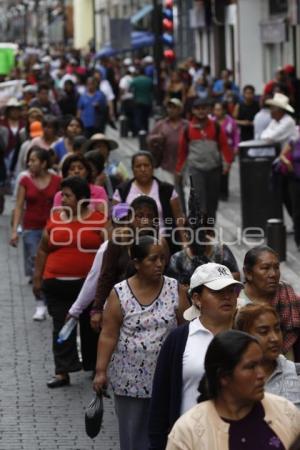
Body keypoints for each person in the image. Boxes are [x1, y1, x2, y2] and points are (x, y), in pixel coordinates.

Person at [93, 235, 189, 450]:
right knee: (133, 436)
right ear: (136, 263)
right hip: (129, 381)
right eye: (153, 259)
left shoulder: (176, 290)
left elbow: (186, 329)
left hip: (166, 377)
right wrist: (100, 371)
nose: (159, 264)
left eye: (162, 259)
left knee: (166, 434)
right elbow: (109, 334)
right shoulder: (120, 293)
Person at [149, 263, 243, 450]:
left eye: (232, 290)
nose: (227, 296)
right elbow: (160, 399)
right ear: (196, 298)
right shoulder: (178, 339)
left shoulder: (246, 337)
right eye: (218, 291)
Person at [166, 330, 300, 450]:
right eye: (251, 367)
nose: (261, 374)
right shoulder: (189, 431)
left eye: (260, 364)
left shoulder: (285, 412)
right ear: (224, 376)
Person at [33, 176, 106, 387]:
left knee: (92, 326)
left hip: (88, 287)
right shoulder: (55, 218)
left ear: (82, 198)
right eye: (62, 195)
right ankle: (62, 372)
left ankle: (94, 368)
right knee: (60, 326)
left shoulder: (100, 220)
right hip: (56, 283)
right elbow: (43, 249)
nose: (62, 199)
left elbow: (108, 253)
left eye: (67, 195)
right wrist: (37, 278)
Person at [90, 195, 168, 332]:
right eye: (139, 216)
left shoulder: (161, 243)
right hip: (121, 304)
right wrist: (97, 309)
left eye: (150, 216)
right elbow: (106, 275)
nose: (145, 220)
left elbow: (165, 274)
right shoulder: (119, 240)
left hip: (154, 305)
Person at [10, 147, 61, 320]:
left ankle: (51, 299)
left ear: (44, 163)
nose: (30, 163)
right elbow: (18, 206)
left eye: (34, 160)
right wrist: (14, 231)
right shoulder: (25, 180)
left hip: (52, 228)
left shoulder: (57, 180)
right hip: (31, 228)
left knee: (50, 265)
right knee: (35, 264)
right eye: (29, 160)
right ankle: (40, 304)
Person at [113, 151, 186, 248]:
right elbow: (117, 221)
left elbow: (179, 218)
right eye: (138, 166)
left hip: (164, 241)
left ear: (152, 167)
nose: (143, 169)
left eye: (146, 165)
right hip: (131, 242)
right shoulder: (123, 191)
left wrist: (185, 242)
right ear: (133, 169)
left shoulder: (167, 190)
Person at [176, 97, 233, 221]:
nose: (201, 111)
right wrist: (179, 170)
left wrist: (227, 163)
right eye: (198, 109)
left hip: (214, 169)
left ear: (208, 110)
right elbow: (182, 152)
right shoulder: (187, 129)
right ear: (193, 110)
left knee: (212, 201)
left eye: (204, 108)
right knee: (199, 201)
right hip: (196, 169)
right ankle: (198, 230)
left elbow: (224, 145)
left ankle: (209, 227)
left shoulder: (216, 127)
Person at [240, 245, 300, 360]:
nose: (273, 274)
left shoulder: (287, 295)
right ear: (248, 273)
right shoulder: (235, 303)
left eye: (276, 267)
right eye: (265, 268)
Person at [234, 303, 300, 407]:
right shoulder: (230, 380)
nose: (275, 338)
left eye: (277, 329)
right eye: (264, 332)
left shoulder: (295, 373)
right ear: (243, 336)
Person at [168, 213, 240, 286]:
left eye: (200, 234)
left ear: (208, 233)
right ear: (185, 234)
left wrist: (214, 280)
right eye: (191, 233)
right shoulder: (178, 259)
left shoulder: (221, 251)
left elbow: (236, 276)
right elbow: (171, 285)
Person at [262, 93, 298, 219]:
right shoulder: (275, 121)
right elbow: (264, 135)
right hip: (281, 163)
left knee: (290, 194)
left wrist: (270, 135)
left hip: (291, 164)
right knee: (284, 194)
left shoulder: (288, 121)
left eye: (273, 108)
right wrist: (270, 135)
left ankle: (296, 221)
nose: (270, 111)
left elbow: (271, 137)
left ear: (280, 110)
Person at [147, 98, 188, 185]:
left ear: (180, 110)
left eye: (174, 107)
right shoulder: (161, 124)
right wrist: (157, 138)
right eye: (169, 107)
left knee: (185, 195)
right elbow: (149, 139)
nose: (171, 110)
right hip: (166, 165)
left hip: (184, 167)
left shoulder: (186, 125)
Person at [213, 101, 239, 200]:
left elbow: (236, 135)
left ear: (224, 110)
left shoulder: (231, 121)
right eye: (215, 110)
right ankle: (216, 191)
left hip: (228, 150)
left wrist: (236, 147)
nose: (216, 112)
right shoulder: (212, 121)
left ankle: (224, 193)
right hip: (215, 150)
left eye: (218, 110)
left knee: (225, 172)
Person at [280, 136, 300, 250]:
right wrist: (287, 162)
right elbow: (282, 155)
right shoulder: (294, 141)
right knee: (297, 211)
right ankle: (298, 241)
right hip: (295, 181)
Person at [130, 67, 153, 133]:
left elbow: (130, 89)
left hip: (137, 101)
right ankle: (145, 129)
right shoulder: (149, 80)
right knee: (145, 117)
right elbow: (152, 90)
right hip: (147, 101)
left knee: (137, 117)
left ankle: (139, 130)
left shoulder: (135, 80)